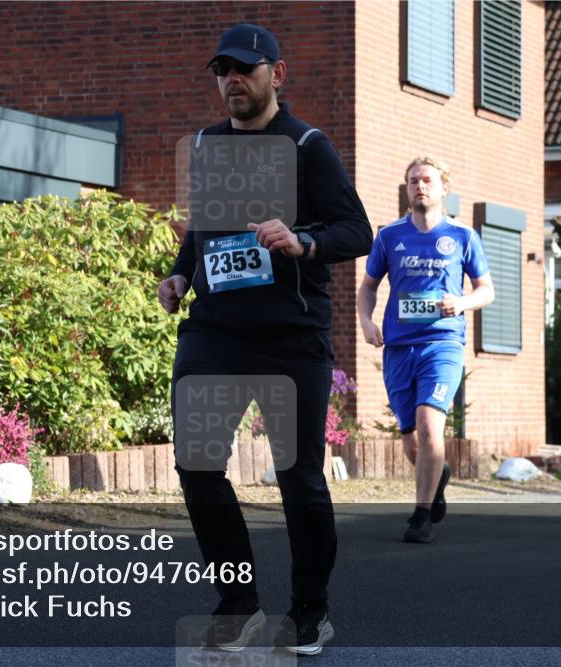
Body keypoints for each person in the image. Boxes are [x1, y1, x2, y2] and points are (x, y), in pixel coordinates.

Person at [157, 23, 372, 656]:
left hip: (290, 338)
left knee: (298, 478)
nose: (233, 81)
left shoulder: (308, 144)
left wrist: (302, 240)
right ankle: (238, 601)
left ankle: (309, 609)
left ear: (277, 75)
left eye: (245, 69)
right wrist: (179, 274)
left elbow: (354, 231)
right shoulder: (206, 144)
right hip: (214, 333)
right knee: (197, 465)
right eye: (223, 70)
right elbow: (203, 226)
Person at [357, 157, 494, 544]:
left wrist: (463, 303)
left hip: (443, 341)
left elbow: (487, 289)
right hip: (398, 346)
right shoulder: (389, 237)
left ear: (443, 188)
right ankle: (439, 475)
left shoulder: (463, 237)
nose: (420, 186)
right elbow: (367, 286)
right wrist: (367, 323)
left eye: (427, 180)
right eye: (413, 180)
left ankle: (420, 516)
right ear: (407, 188)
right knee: (413, 440)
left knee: (429, 421)